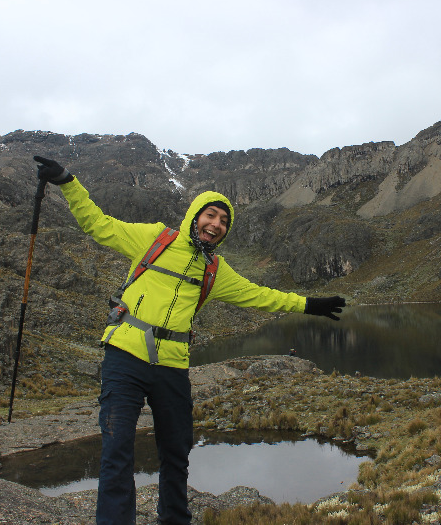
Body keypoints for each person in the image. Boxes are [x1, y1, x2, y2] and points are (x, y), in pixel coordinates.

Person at [34, 156, 346, 525]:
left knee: (177, 452)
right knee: (117, 451)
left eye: (223, 221)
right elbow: (97, 224)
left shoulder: (215, 270)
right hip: (124, 356)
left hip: (172, 366)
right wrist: (68, 182)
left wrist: (310, 305)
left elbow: (261, 295)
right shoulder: (155, 239)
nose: (216, 224)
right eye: (210, 215)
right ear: (195, 216)